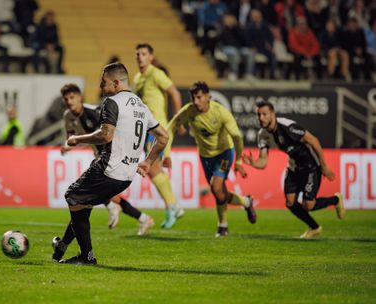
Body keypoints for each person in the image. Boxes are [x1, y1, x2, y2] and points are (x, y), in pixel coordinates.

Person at [52, 62, 168, 265]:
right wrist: (148, 161)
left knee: (72, 196)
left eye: (103, 82)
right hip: (127, 176)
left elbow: (106, 135)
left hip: (109, 168)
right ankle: (62, 247)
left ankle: (87, 257)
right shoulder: (141, 106)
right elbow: (163, 137)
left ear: (116, 83)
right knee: (82, 204)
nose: (100, 86)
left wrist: (78, 139)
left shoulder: (112, 102)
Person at [59, 83, 155, 235]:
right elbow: (70, 138)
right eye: (66, 99)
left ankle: (118, 210)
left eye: (72, 97)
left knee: (92, 190)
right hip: (100, 157)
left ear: (80, 97)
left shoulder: (94, 111)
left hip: (112, 157)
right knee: (104, 193)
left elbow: (109, 133)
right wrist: (67, 146)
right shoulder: (68, 117)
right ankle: (141, 218)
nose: (69, 101)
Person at [165, 81, 256, 237]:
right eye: (194, 98)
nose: (196, 101)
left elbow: (236, 136)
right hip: (205, 156)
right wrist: (166, 154)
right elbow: (170, 128)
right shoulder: (189, 111)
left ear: (208, 97)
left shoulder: (220, 112)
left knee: (216, 187)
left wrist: (239, 160)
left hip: (224, 153)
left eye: (199, 97)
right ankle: (246, 202)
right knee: (220, 194)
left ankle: (222, 226)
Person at [242, 101, 345, 239]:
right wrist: (253, 163)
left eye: (265, 114)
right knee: (290, 202)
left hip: (310, 167)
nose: (261, 118)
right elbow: (263, 161)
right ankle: (314, 227)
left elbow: (313, 140)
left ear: (273, 114)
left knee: (308, 205)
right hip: (293, 168)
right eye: (259, 115)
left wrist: (324, 166)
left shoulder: (288, 126)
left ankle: (335, 200)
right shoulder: (263, 135)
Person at [133, 43, 185, 229]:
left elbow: (175, 93)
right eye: (137, 54)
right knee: (156, 170)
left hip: (158, 128)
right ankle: (171, 208)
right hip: (147, 130)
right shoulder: (138, 77)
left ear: (151, 57)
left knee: (153, 169)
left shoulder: (156, 73)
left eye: (144, 54)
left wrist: (178, 119)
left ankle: (174, 206)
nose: (140, 57)